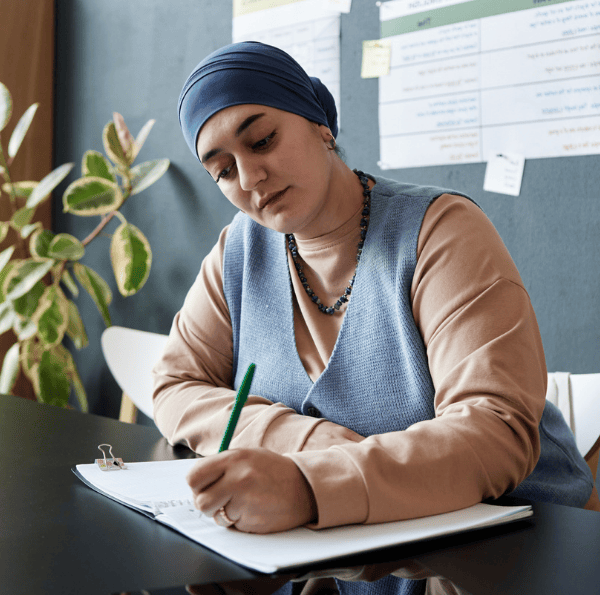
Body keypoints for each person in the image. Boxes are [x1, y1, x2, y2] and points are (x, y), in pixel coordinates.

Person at [153, 41, 599, 595]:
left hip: (505, 548)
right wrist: (301, 439)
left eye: (262, 139)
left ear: (320, 124)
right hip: (348, 553)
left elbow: (494, 432)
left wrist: (307, 486)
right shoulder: (238, 252)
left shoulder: (442, 231)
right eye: (221, 170)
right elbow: (174, 382)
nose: (249, 178)